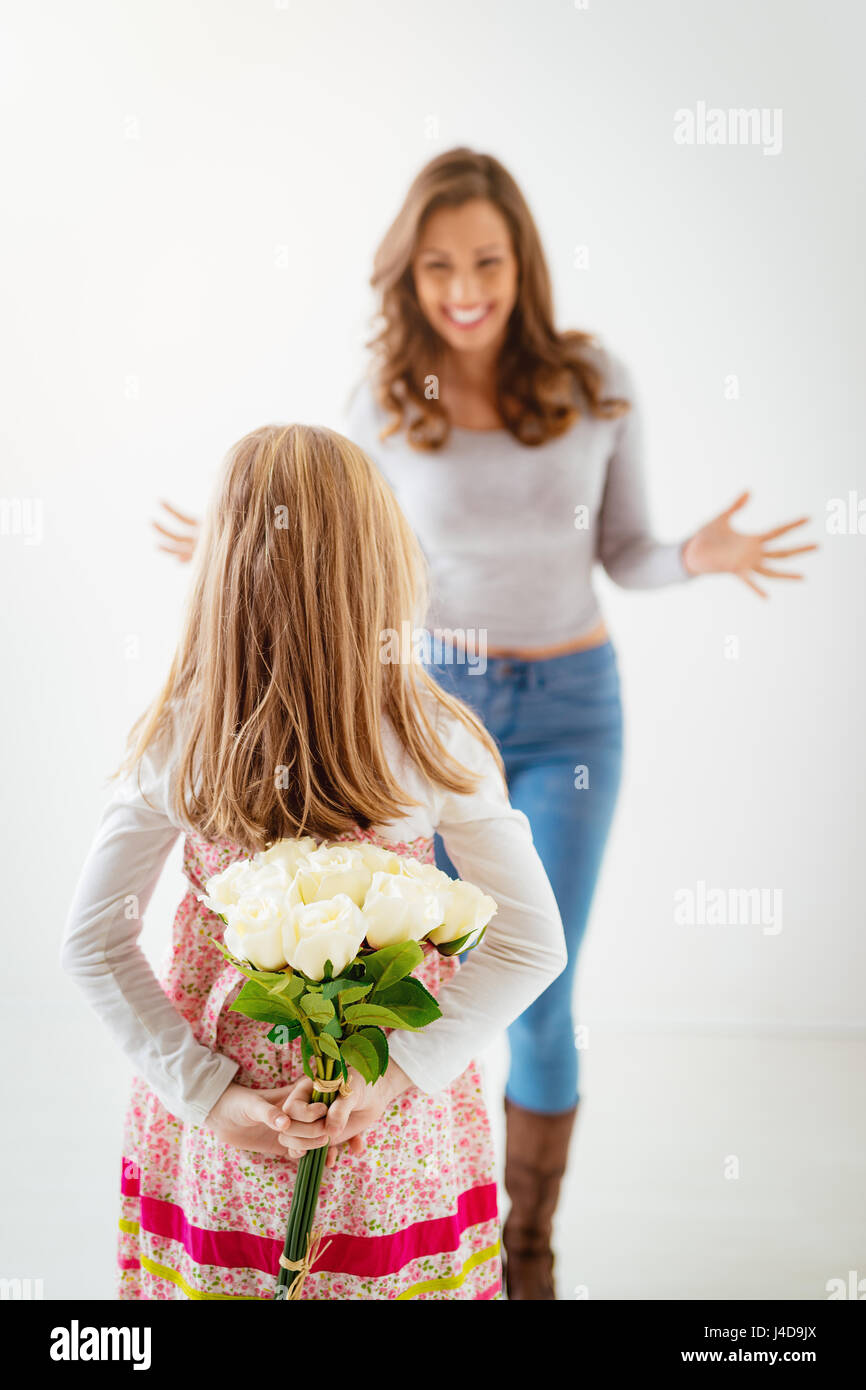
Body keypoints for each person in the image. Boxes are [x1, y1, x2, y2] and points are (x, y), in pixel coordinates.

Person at [153, 148, 815, 1301]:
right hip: (421, 712)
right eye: (439, 265)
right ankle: (393, 1229)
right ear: (407, 276)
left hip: (566, 709)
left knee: (538, 982)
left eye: (487, 262)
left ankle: (526, 1254)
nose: (465, 287)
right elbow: (342, 545)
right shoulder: (380, 399)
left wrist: (692, 558)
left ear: (523, 265)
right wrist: (244, 553)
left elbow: (624, 551)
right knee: (403, 978)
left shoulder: (591, 381)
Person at [62, 423, 567, 1300]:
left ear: (221, 563)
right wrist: (399, 1078)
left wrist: (212, 1097)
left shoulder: (179, 739)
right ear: (383, 562)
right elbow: (532, 945)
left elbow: (93, 943)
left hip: (222, 1135)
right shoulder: (436, 740)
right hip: (390, 1137)